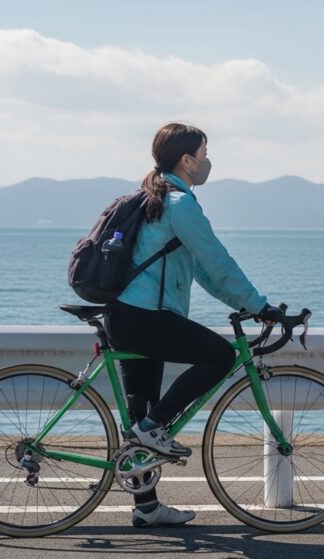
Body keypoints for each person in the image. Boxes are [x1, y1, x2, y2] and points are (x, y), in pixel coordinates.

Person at [104, 122, 282, 528]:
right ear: (186, 160)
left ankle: (146, 507)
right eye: (204, 154)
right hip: (145, 318)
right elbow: (217, 260)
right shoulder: (180, 204)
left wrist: (248, 304)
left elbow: (202, 270)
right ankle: (154, 429)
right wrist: (259, 305)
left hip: (127, 316)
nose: (207, 162)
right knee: (219, 355)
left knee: (142, 410)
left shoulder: (157, 196)